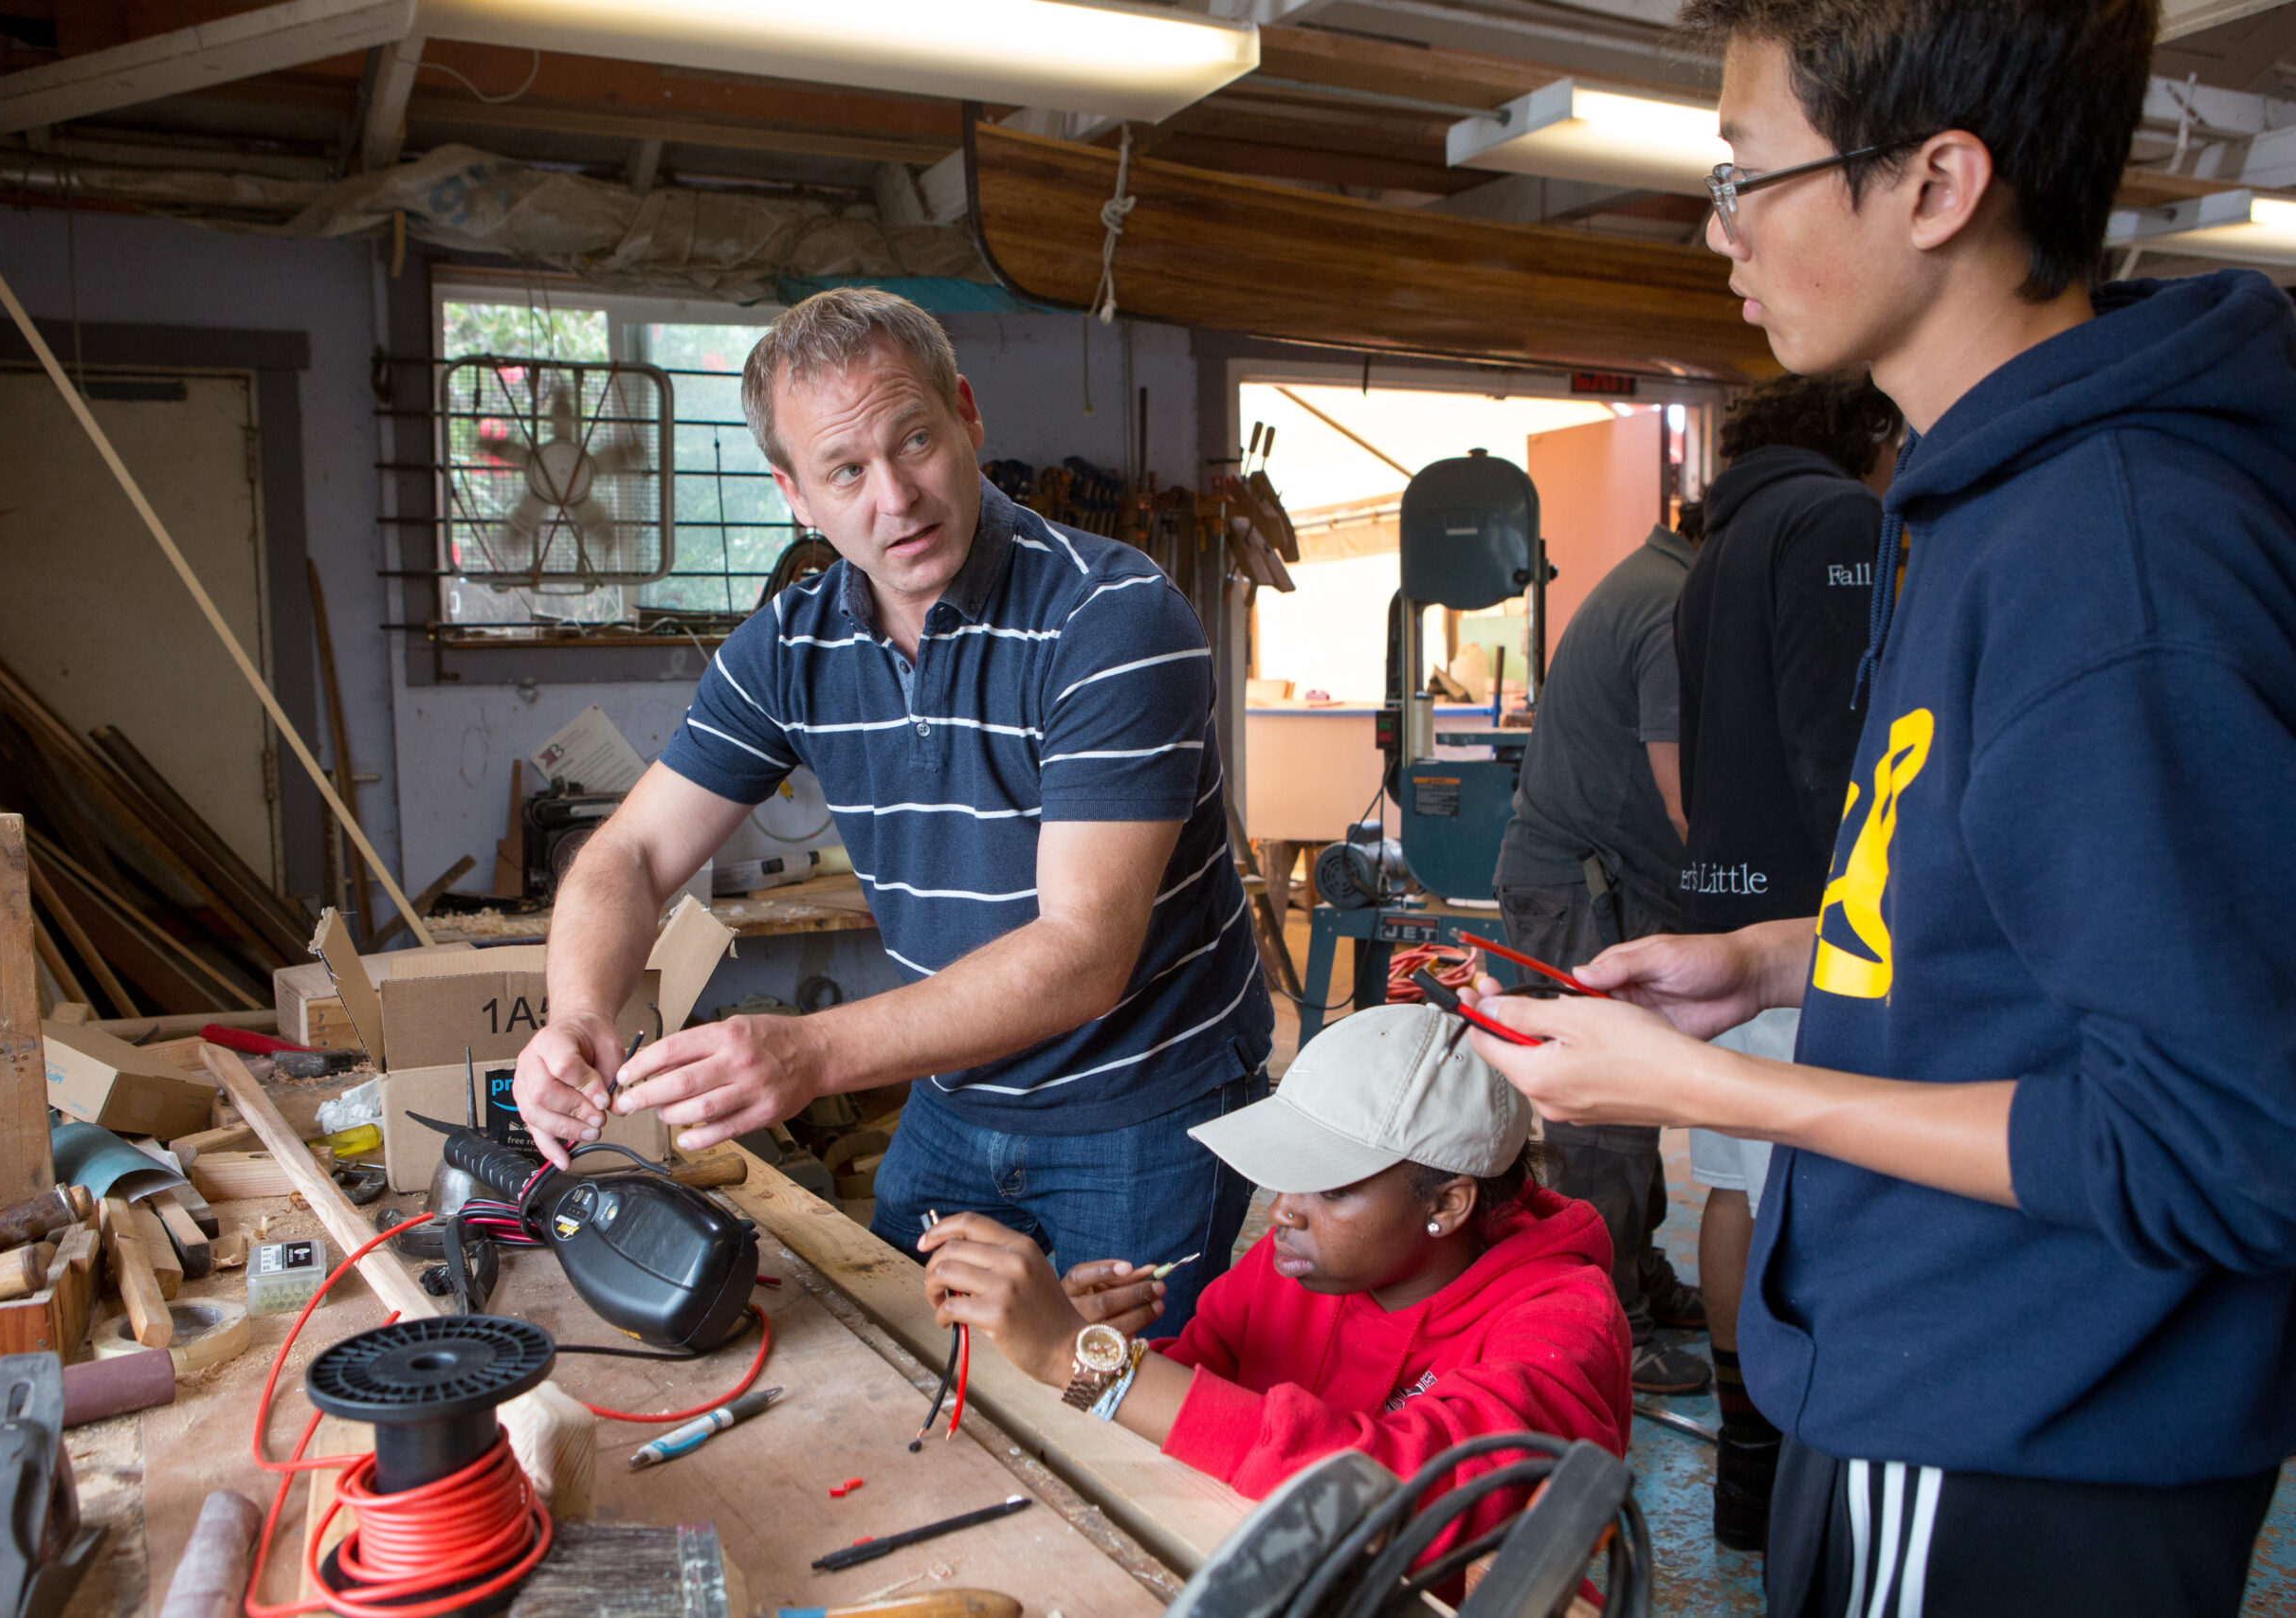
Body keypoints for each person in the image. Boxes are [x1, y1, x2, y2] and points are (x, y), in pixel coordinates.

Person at [1465, 0, 2296, 1611]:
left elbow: (2228, 1137)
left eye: (1748, 173)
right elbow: (2021, 910)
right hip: (1956, 1376)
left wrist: (1746, 1097)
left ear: (1935, 185)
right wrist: (1776, 965)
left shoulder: (2112, 553)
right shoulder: (1986, 495)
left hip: (2018, 1421)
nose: (1722, 232)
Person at [510, 287, 1270, 1334]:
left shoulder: (1114, 618)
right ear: (794, 494)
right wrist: (579, 1014)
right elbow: (631, 853)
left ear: (965, 415)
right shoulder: (792, 644)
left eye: (914, 440)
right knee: (922, 1380)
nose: (896, 498)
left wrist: (810, 1053)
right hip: (955, 1099)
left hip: (1136, 1107)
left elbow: (1084, 951)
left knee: (1119, 1419)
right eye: (845, 471)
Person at [918, 1003, 1631, 1568]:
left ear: (1447, 1204)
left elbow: (1411, 1495)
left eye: (1332, 1186)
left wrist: (1087, 1362)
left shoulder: (1563, 1324)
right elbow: (1198, 1409)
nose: (1284, 1207)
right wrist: (1089, 1348)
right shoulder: (1308, 1264)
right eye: (1288, 1170)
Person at [1672, 369, 1899, 1550]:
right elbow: (1841, 742)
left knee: (1735, 1179)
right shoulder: (1838, 520)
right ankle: (1812, 1475)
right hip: (1808, 917)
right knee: (1810, 1179)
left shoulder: (1722, 539)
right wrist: (1877, 906)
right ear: (1866, 430)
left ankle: (1749, 1478)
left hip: (1725, 897)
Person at [1492, 518, 1707, 1394]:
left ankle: (1635, 1273)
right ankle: (1607, 1318)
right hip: (1584, 889)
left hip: (1597, 882)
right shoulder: (1671, 603)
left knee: (1631, 1105)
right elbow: (1683, 793)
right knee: (1599, 1124)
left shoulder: (1655, 578)